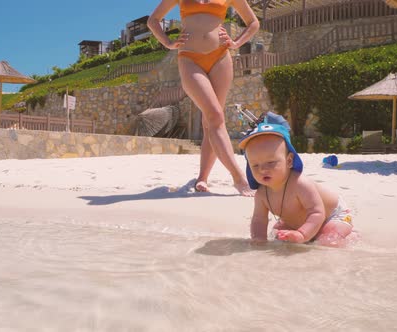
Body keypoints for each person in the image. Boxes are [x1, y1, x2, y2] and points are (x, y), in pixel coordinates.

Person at [147, 0, 259, 196]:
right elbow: (153, 21)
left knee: (211, 122)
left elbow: (253, 22)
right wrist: (168, 43)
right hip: (190, 58)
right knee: (215, 116)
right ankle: (239, 178)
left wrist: (236, 43)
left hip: (221, 57)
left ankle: (203, 178)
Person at [239, 120, 355, 247]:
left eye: (271, 163)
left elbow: (317, 213)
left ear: (289, 161)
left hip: (332, 216)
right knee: (278, 235)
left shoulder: (300, 184)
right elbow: (259, 220)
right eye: (255, 165)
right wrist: (258, 240)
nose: (262, 169)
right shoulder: (261, 194)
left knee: (329, 241)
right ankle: (310, 233)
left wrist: (302, 234)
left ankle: (350, 235)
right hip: (299, 220)